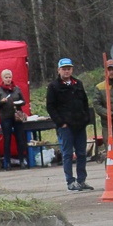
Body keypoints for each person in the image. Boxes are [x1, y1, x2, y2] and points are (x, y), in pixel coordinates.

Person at [45, 58, 93, 191]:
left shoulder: (78, 83)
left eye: (68, 69)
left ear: (72, 69)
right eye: (64, 69)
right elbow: (50, 107)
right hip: (66, 126)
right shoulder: (54, 86)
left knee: (82, 154)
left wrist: (86, 118)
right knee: (67, 154)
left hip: (80, 125)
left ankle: (81, 180)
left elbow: (85, 102)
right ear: (59, 70)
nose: (66, 71)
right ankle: (70, 181)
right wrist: (61, 122)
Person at [0, 69, 30, 169]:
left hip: (17, 117)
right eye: (6, 77)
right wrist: (1, 102)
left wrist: (19, 103)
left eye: (9, 77)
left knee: (20, 138)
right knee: (7, 139)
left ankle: (22, 160)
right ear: (2, 78)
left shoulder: (16, 89)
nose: (8, 79)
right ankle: (7, 163)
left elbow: (23, 101)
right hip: (5, 117)